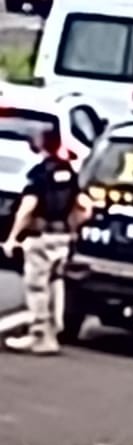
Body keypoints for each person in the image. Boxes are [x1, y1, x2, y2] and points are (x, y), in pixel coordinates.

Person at [4, 123, 83, 355]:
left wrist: (12, 237)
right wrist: (73, 231)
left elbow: (28, 207)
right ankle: (55, 329)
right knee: (56, 282)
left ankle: (40, 334)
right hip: (62, 238)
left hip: (42, 237)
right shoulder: (69, 172)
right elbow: (82, 208)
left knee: (37, 286)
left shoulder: (41, 173)